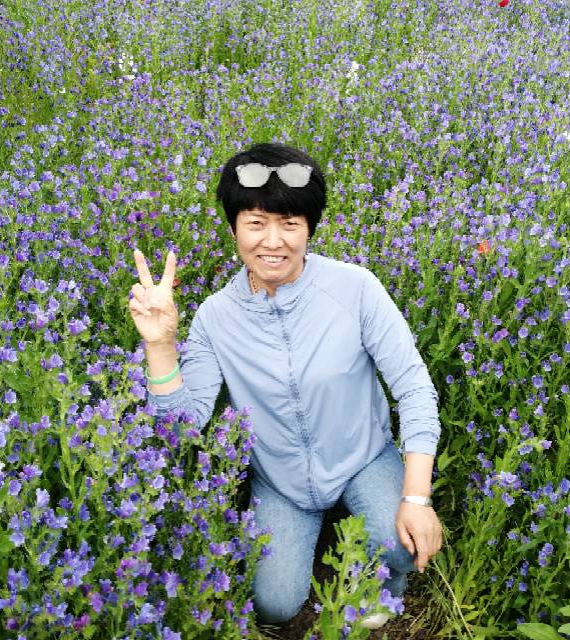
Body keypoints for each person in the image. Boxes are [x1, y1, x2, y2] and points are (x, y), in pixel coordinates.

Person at [129, 143, 442, 628]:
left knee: (400, 546)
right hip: (281, 482)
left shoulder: (355, 287)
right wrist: (161, 345)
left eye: (289, 224)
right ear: (233, 229)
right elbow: (182, 424)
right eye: (256, 223)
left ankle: (384, 577)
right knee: (275, 604)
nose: (272, 241)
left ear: (309, 229)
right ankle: (333, 528)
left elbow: (415, 388)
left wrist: (417, 499)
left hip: (362, 458)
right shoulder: (215, 317)